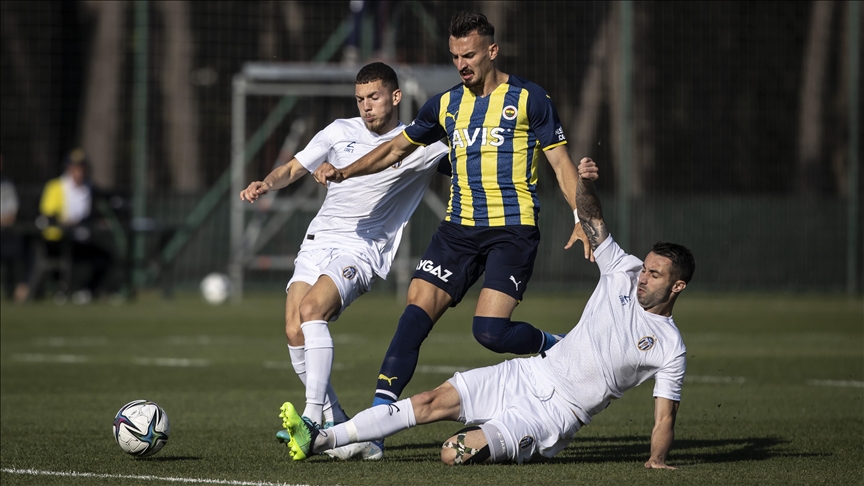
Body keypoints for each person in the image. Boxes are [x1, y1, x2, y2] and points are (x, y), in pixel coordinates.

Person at [280, 156, 695, 468]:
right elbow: (592, 218)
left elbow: (664, 418)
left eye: (654, 274)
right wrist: (582, 181)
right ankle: (320, 440)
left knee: (451, 453)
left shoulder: (669, 347)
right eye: (645, 267)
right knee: (428, 400)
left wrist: (656, 460)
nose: (643, 276)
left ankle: (500, 439)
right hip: (529, 373)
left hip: (555, 414)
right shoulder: (623, 269)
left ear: (677, 286)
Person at [314, 11, 593, 454]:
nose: (461, 63)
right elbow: (394, 149)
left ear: (492, 51)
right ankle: (376, 428)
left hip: (512, 230)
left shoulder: (530, 99)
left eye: (469, 54)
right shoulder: (444, 105)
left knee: (490, 333)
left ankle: (561, 347)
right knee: (414, 315)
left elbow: (560, 165)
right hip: (458, 231)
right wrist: (345, 172)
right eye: (454, 56)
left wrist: (584, 221)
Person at [239, 62, 448, 459]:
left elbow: (472, 165)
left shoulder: (422, 143)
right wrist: (267, 182)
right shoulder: (338, 130)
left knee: (312, 309)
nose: (366, 106)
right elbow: (293, 168)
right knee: (293, 330)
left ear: (395, 97)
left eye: (374, 97)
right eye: (360, 99)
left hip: (361, 248)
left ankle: (313, 419)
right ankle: (351, 434)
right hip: (318, 239)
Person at [36, 149, 112, 303]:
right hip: (58, 238)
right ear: (68, 168)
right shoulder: (55, 186)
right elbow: (47, 213)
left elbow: (96, 213)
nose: (79, 171)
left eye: (82, 167)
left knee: (105, 259)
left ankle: (86, 292)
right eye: (75, 167)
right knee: (62, 258)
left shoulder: (90, 189)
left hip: (81, 237)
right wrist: (63, 220)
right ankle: (62, 289)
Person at [0, 153, 30, 302]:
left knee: (25, 249)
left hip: (4, 234)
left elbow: (10, 216)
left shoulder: (6, 185)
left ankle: (21, 289)